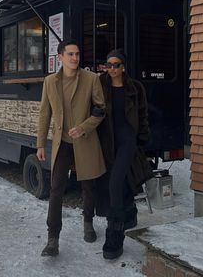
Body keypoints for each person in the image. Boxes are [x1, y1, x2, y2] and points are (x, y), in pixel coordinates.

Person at [36, 39, 106, 256]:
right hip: (61, 143)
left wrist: (84, 127)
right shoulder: (50, 81)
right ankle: (52, 239)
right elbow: (44, 114)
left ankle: (88, 222)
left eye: (77, 54)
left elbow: (101, 109)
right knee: (56, 188)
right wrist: (40, 143)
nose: (75, 58)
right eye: (71, 54)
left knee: (88, 186)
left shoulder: (91, 79)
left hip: (85, 140)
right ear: (60, 57)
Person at [97, 49, 152, 260]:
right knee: (117, 181)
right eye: (108, 64)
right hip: (108, 142)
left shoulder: (135, 87)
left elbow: (143, 114)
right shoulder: (100, 85)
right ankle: (129, 214)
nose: (112, 68)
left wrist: (143, 138)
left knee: (115, 183)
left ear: (123, 67)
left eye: (116, 64)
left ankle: (114, 235)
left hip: (129, 141)